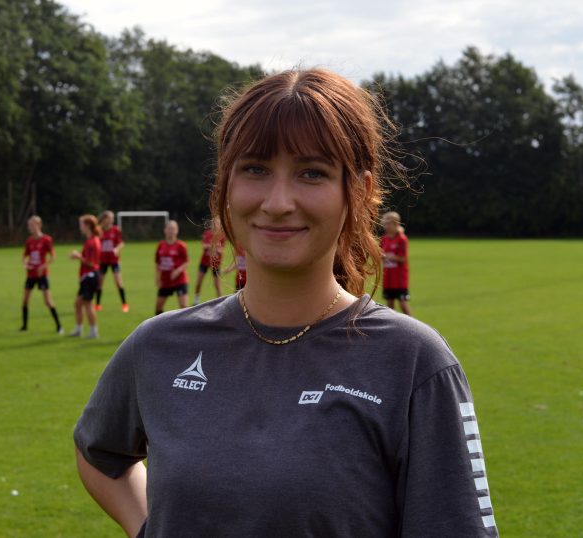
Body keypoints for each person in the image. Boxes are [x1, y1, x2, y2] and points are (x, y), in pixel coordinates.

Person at [74, 69, 498, 537]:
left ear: (356, 190)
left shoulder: (414, 363)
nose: (277, 202)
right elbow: (99, 453)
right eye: (255, 169)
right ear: (226, 185)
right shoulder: (159, 345)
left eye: (311, 173)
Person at [20, 215, 63, 334]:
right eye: (29, 225)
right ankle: (24, 326)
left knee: (48, 301)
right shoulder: (29, 241)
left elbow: (53, 256)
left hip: (42, 275)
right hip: (30, 274)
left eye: (32, 225)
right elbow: (24, 256)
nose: (30, 227)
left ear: (39, 225)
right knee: (25, 300)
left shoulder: (46, 239)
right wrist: (25, 264)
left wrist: (43, 266)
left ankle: (59, 326)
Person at [69, 215, 101, 338]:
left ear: (87, 226)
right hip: (87, 276)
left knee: (87, 304)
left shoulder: (92, 242)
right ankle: (79, 329)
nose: (80, 227)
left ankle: (93, 331)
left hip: (91, 276)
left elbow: (91, 262)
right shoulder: (90, 240)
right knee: (78, 303)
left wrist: (77, 256)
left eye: (81, 224)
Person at [95, 210, 129, 313]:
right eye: (110, 218)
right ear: (104, 219)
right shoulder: (98, 231)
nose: (112, 220)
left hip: (114, 260)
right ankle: (97, 305)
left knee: (118, 282)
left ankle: (124, 304)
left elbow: (121, 243)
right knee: (99, 283)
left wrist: (117, 249)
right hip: (102, 261)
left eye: (112, 218)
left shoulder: (116, 230)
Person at [153, 220, 189, 315]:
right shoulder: (161, 245)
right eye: (169, 228)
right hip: (165, 280)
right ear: (165, 230)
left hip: (179, 280)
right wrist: (157, 278)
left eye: (173, 229)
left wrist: (178, 271)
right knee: (158, 306)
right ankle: (159, 327)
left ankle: (186, 328)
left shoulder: (181, 246)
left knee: (184, 306)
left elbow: (186, 262)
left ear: (177, 231)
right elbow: (157, 263)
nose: (171, 231)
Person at [380, 211, 412, 316]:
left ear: (396, 224)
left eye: (389, 223)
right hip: (388, 276)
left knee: (402, 303)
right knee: (389, 304)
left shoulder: (402, 239)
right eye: (385, 223)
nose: (387, 226)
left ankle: (414, 327)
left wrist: (390, 256)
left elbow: (403, 259)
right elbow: (380, 255)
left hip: (399, 278)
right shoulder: (383, 239)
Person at [192, 223, 224, 305]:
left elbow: (221, 250)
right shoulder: (207, 233)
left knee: (217, 285)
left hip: (215, 263)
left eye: (217, 223)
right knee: (198, 282)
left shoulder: (221, 235)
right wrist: (213, 246)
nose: (215, 225)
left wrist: (214, 247)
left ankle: (221, 303)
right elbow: (204, 246)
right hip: (204, 262)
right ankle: (196, 301)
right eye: (213, 223)